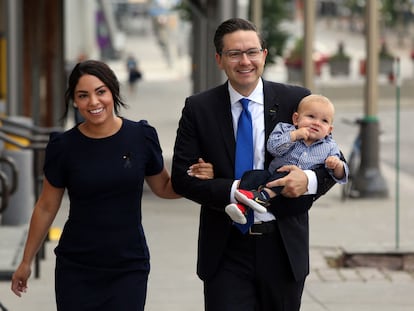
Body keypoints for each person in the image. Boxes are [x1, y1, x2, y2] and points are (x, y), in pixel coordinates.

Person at [10, 60, 213, 310]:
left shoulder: (140, 136)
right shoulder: (63, 147)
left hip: (128, 265)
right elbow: (46, 206)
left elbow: (164, 187)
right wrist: (26, 261)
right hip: (76, 267)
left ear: (113, 92)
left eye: (100, 92)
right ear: (74, 101)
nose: (93, 102)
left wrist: (196, 179)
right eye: (83, 95)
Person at [171, 18, 341, 311]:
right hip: (226, 249)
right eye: (234, 53)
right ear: (219, 59)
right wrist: (236, 188)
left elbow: (333, 160)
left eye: (252, 52)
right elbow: (182, 178)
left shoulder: (295, 100)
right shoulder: (199, 108)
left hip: (282, 246)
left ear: (264, 55)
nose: (244, 61)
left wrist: (308, 182)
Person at [225, 94, 349, 224]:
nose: (316, 123)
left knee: (287, 174)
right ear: (296, 119)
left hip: (297, 196)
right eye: (311, 116)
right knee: (252, 176)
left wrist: (337, 165)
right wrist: (294, 136)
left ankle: (262, 196)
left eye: (324, 121)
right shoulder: (285, 129)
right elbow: (272, 147)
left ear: (329, 130)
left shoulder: (329, 146)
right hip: (270, 176)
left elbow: (339, 175)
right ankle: (242, 207)